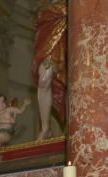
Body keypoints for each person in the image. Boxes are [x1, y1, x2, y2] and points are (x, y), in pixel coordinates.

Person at [33, 1, 67, 140]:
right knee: (43, 80)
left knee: (72, 78)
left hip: (69, 19)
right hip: (47, 23)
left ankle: (75, 124)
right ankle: (45, 127)